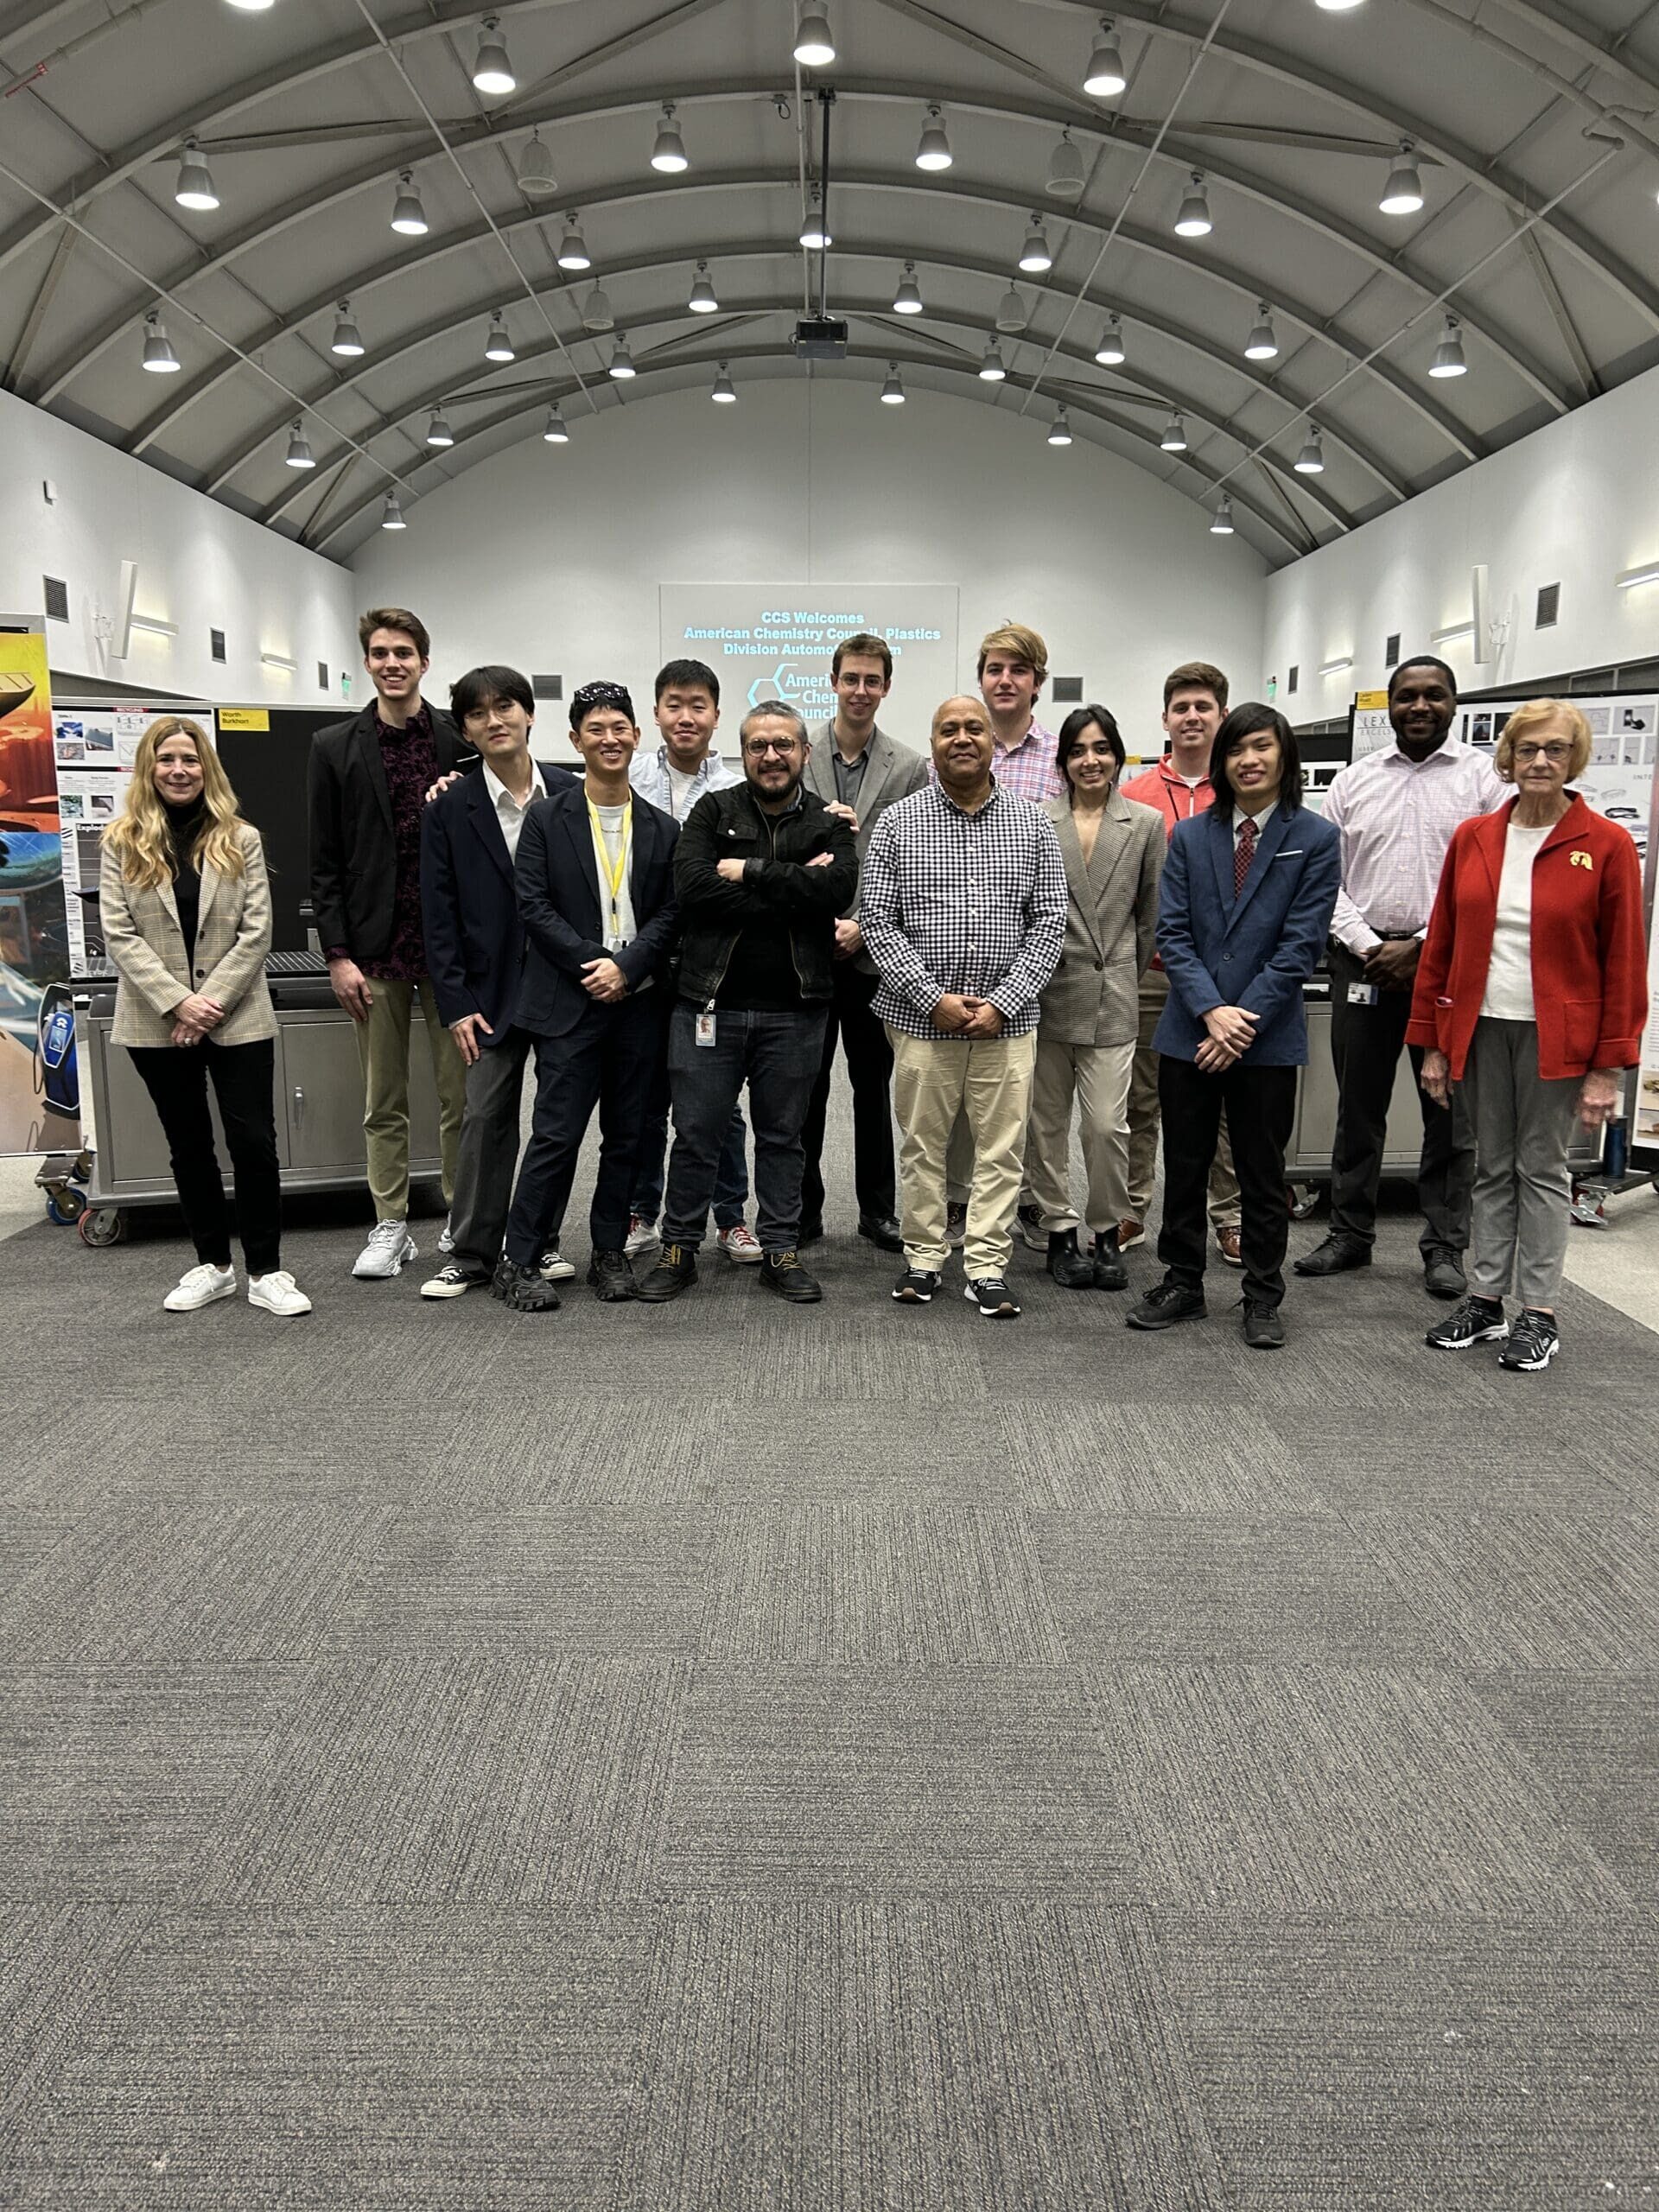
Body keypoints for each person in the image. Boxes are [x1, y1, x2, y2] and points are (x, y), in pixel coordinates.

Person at [1409, 699, 1648, 1372]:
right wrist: (1433, 1041)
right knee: (1489, 1164)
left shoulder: (1603, 844)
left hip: (1560, 1039)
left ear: (1575, 760)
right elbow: (1444, 945)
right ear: (1506, 757)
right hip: (1481, 1027)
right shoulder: (1475, 837)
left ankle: (1538, 1311)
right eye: (1529, 749)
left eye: (1556, 750)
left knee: (1540, 1169)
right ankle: (1486, 1300)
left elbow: (1624, 962)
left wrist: (1610, 1067)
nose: (1541, 761)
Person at [1126, 704, 1340, 1349]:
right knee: (1185, 1164)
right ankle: (1183, 1282)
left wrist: (1238, 1020)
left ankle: (1263, 1294)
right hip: (1190, 1028)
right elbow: (1173, 934)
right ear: (1223, 760)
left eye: (1262, 748)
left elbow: (1301, 946)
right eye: (1238, 749)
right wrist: (1210, 1012)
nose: (1250, 760)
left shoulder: (1316, 837)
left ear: (1283, 757)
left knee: (1260, 1171)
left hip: (1266, 1036)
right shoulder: (1190, 836)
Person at [634, 700, 858, 1306]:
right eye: (758, 745)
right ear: (744, 753)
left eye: (783, 744)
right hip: (710, 1005)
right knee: (698, 1133)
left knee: (784, 1136)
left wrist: (750, 870)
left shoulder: (829, 822)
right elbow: (694, 889)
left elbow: (837, 888)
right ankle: (678, 1250)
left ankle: (780, 1250)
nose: (771, 755)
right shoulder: (713, 810)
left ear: (804, 753)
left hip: (797, 1009)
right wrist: (792, 886)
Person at [1297, 655, 1504, 1300]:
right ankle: (1350, 1234)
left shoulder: (1484, 783)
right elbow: (1322, 878)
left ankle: (1444, 1246)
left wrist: (1420, 946)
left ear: (1453, 703)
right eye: (1407, 696)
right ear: (1388, 705)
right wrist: (1366, 944)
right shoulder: (1353, 781)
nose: (1420, 706)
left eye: (1433, 696)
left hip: (1448, 966)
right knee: (1357, 1105)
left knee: (1449, 1111)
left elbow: (1492, 881)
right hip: (1359, 962)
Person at [861, 693, 1065, 1319]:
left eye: (973, 728)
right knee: (923, 1146)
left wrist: (1004, 1001)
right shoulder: (898, 823)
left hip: (1008, 1025)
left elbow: (1050, 920)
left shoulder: (1032, 823)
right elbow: (877, 920)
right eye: (948, 729)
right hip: (922, 1023)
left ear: (990, 741)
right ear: (934, 743)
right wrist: (932, 999)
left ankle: (986, 1266)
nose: (963, 738)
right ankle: (924, 1259)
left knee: (1001, 1150)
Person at [99, 716, 310, 1316]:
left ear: (206, 769)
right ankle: (212, 1265)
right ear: (149, 767)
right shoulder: (121, 841)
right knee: (188, 1144)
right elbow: (120, 933)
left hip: (237, 1014)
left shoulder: (239, 838)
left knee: (253, 1142)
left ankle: (266, 1271)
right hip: (154, 1019)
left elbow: (256, 932)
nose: (178, 770)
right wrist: (178, 1002)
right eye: (166, 759)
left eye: (189, 760)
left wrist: (206, 1003)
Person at [492, 683, 680, 1311]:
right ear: (575, 740)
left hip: (638, 1003)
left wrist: (626, 967)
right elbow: (533, 907)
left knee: (628, 1138)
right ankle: (517, 1260)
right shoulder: (548, 818)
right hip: (569, 1004)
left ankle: (607, 1254)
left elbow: (670, 914)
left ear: (636, 735)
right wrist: (592, 964)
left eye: (620, 727)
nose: (609, 737)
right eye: (595, 728)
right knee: (556, 1136)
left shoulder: (662, 827)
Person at [308, 607, 472, 1280]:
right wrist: (338, 954)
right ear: (367, 662)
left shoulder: (457, 738)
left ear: (424, 663)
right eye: (380, 653)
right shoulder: (333, 747)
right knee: (384, 1098)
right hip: (374, 950)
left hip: (450, 949)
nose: (393, 663)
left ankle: (464, 1223)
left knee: (462, 1096)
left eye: (404, 652)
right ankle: (392, 1224)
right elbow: (324, 858)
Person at [416, 664, 576, 1299]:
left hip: (563, 988)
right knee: (484, 1117)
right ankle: (472, 1250)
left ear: (529, 714)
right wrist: (455, 1003)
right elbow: (439, 912)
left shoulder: (572, 792)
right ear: (466, 728)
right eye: (478, 714)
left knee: (558, 1123)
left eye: (505, 707)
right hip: (485, 997)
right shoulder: (449, 807)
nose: (495, 720)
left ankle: (539, 1242)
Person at [1026, 706, 1164, 1292]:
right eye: (1079, 750)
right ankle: (1059, 1231)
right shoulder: (1036, 820)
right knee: (1046, 1126)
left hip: (1112, 995)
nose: (1091, 760)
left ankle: (1107, 1230)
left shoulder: (1147, 823)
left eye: (1102, 748)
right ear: (1064, 761)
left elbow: (1151, 917)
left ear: (1117, 755)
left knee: (1108, 1126)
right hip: (1048, 993)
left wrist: (1124, 971)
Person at [626, 658, 759, 1265]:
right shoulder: (623, 779)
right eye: (674, 703)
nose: (686, 716)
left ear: (716, 715)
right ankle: (640, 1212)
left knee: (718, 1102)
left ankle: (731, 1218)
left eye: (698, 705)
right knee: (647, 1098)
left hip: (711, 968)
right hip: (641, 962)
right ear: (656, 713)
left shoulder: (739, 791)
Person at [800, 630, 929, 1252]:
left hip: (873, 956)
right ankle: (801, 1210)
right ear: (833, 682)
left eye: (871, 680)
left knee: (875, 1089)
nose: (859, 690)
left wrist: (862, 927)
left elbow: (911, 863)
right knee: (806, 1087)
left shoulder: (908, 767)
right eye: (849, 678)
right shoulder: (798, 753)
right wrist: (824, 923)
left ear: (885, 686)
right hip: (807, 950)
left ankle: (878, 1211)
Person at [1118, 662, 1244, 1267]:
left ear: (1222, 714)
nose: (1191, 717)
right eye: (1181, 708)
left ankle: (1230, 1216)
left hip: (1224, 979)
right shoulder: (1134, 794)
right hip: (1152, 973)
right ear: (1165, 719)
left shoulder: (1245, 790)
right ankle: (1130, 1208)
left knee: (1221, 1104)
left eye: (1203, 707)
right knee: (1138, 1100)